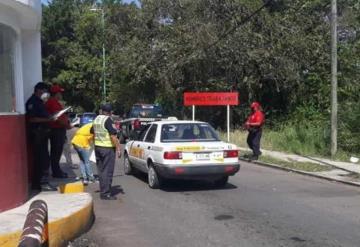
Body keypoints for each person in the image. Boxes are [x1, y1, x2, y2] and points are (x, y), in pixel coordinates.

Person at [26, 82, 57, 191]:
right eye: (45, 91)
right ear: (39, 90)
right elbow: (32, 119)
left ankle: (38, 184)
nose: (46, 93)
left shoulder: (39, 102)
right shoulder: (33, 102)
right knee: (41, 160)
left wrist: (51, 116)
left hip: (42, 134)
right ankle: (39, 183)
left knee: (43, 159)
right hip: (37, 134)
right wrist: (49, 119)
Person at [92, 104, 121, 200]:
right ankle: (105, 193)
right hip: (107, 148)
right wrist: (118, 148)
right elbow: (113, 136)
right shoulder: (108, 120)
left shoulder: (96, 119)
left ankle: (103, 189)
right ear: (110, 112)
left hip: (98, 147)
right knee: (107, 171)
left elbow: (92, 131)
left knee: (101, 171)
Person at [45, 84, 72, 178]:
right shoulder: (52, 102)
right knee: (56, 152)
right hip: (56, 130)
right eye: (60, 92)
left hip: (58, 129)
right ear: (56, 93)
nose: (61, 94)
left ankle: (57, 171)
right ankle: (56, 172)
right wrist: (67, 125)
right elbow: (57, 118)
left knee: (57, 151)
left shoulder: (54, 102)